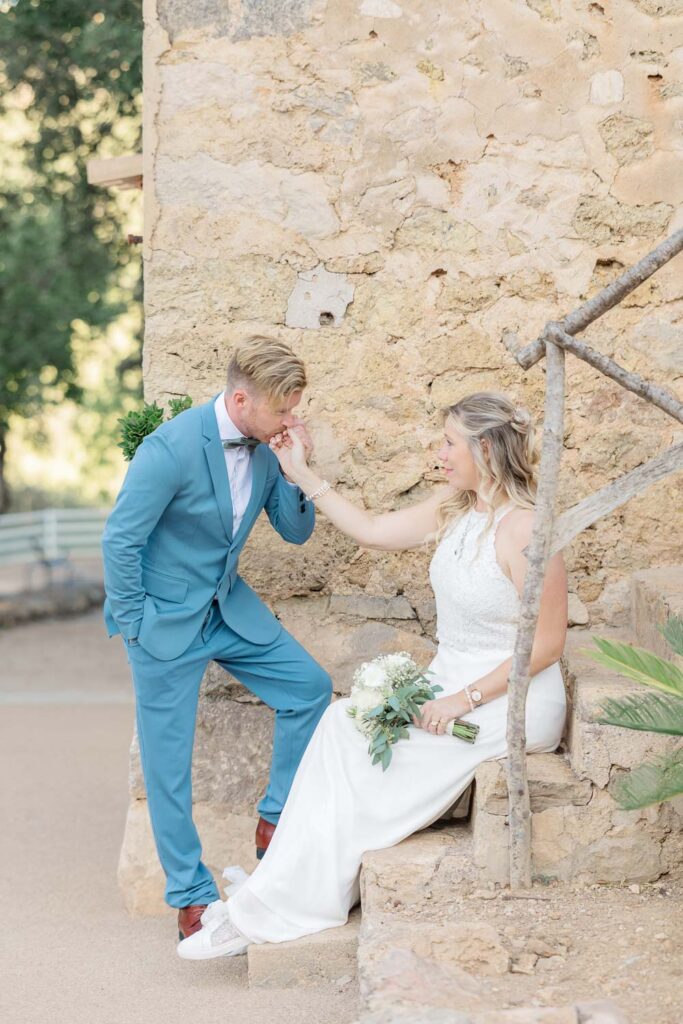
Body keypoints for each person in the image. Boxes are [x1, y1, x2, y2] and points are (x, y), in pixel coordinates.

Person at [177, 391, 568, 960]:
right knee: (340, 724)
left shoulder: (528, 530)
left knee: (365, 757)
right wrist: (299, 470)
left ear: (484, 450)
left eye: (449, 443)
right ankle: (277, 887)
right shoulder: (456, 508)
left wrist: (462, 699)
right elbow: (370, 528)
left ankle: (274, 908)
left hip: (507, 701)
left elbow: (548, 642)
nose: (439, 453)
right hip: (450, 684)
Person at [101, 336, 332, 941]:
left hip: (228, 609)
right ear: (240, 399)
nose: (292, 419)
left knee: (309, 687)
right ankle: (191, 899)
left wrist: (295, 465)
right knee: (167, 766)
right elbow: (119, 541)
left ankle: (274, 821)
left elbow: (294, 532)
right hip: (163, 624)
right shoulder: (169, 449)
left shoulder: (265, 445)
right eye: (284, 410)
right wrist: (136, 627)